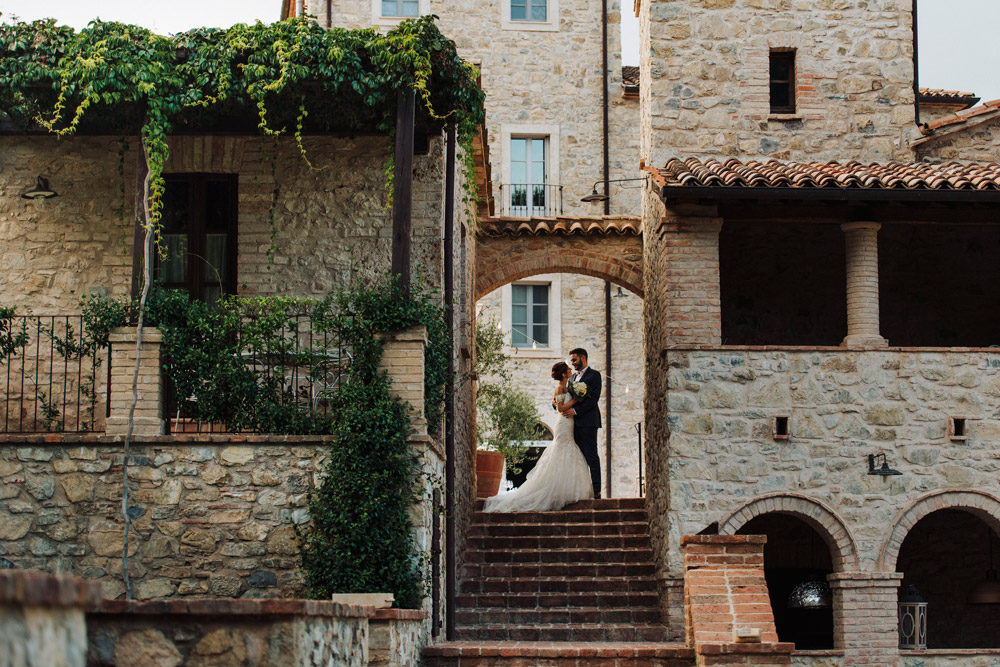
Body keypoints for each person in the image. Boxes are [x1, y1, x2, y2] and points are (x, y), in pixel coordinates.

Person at [482, 361, 594, 513]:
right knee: (563, 449)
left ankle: (564, 489)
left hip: (570, 422)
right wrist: (576, 400)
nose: (570, 370)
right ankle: (554, 490)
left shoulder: (568, 385)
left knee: (569, 450)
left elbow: (558, 403)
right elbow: (560, 409)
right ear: (563, 373)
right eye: (568, 369)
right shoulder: (560, 387)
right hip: (564, 422)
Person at [561, 348, 602, 499]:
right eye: (571, 360)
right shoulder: (572, 379)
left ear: (583, 358)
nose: (572, 363)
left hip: (588, 421)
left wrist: (576, 411)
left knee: (591, 455)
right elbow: (567, 397)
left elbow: (593, 399)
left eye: (574, 360)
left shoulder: (594, 375)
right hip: (573, 424)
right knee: (578, 456)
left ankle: (596, 490)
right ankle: (581, 489)